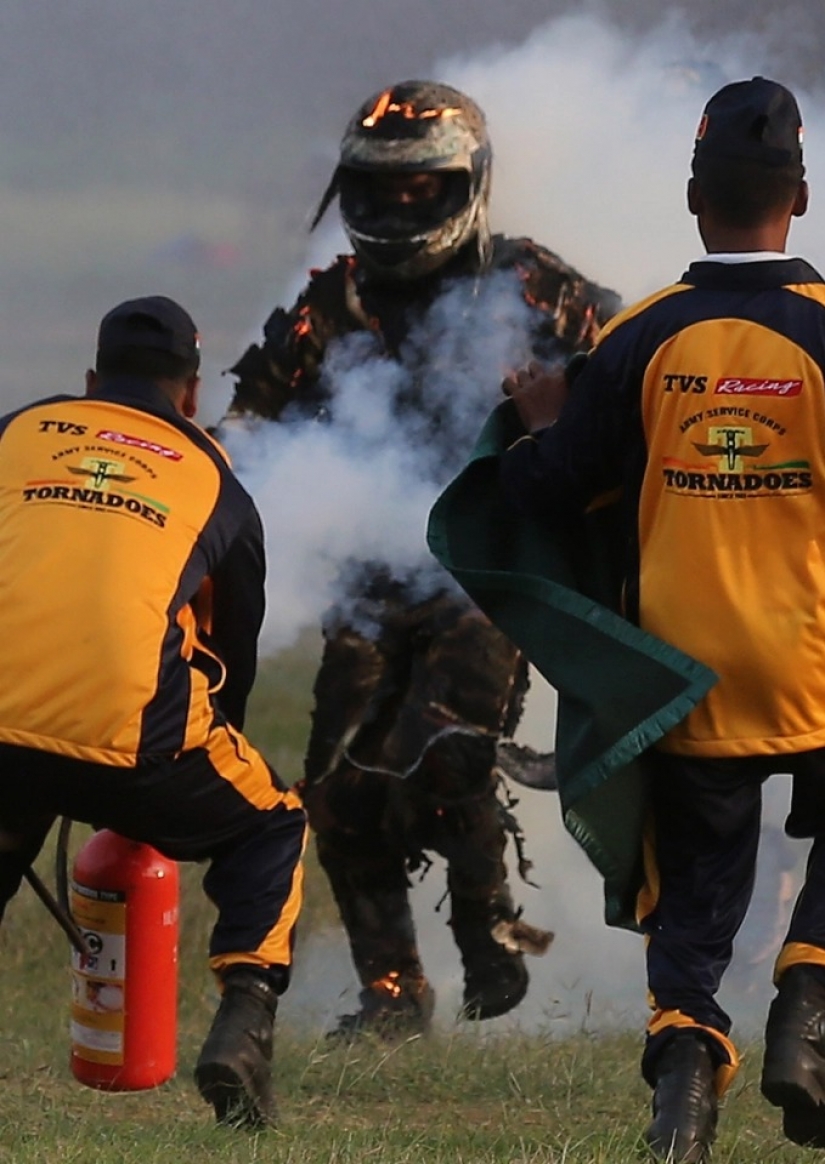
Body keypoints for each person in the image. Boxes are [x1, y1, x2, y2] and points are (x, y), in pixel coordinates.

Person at [223, 79, 620, 1038]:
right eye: (380, 189)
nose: (399, 207)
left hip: (488, 569)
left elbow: (624, 368)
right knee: (337, 789)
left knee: (442, 749)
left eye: (422, 189)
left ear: (468, 186)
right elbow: (246, 422)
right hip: (366, 580)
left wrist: (557, 420)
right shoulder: (332, 300)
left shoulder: (530, 283)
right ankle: (392, 992)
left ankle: (486, 924)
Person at [495, 76, 825, 1160]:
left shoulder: (638, 338)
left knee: (697, 902)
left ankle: (684, 1098)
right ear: (804, 195)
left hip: (684, 682)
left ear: (694, 198)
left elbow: (552, 492)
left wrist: (544, 420)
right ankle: (807, 1014)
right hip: (814, 674)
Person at [0, 295, 307, 1129]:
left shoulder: (20, 430)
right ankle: (241, 1025)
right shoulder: (214, 481)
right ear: (192, 396)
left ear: (92, 381)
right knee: (273, 823)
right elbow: (233, 661)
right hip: (142, 745)